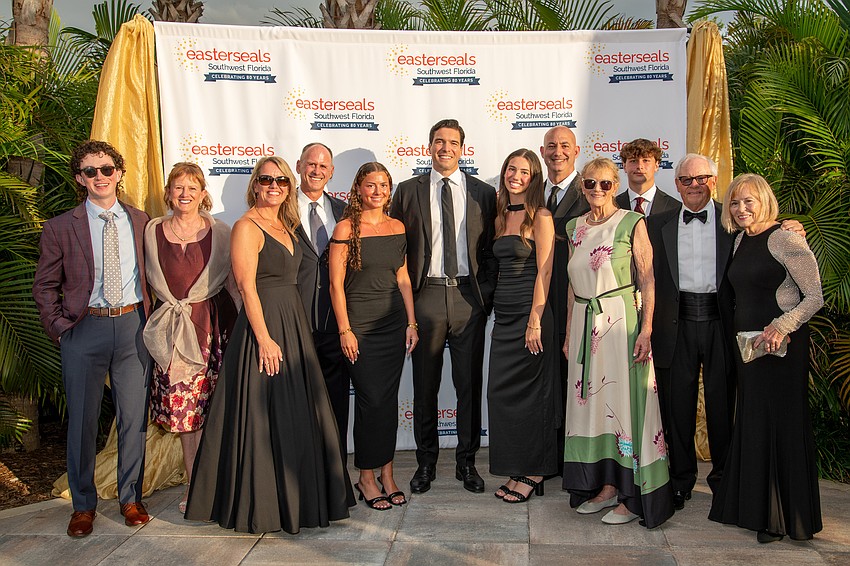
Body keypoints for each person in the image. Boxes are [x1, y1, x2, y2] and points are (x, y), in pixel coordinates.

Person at [184, 156, 352, 534]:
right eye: (266, 180)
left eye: (281, 181)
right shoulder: (247, 226)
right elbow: (246, 287)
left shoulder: (286, 225)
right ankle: (264, 506)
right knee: (263, 419)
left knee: (293, 415)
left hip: (293, 325)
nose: (274, 186)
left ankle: (298, 501)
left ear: (289, 187)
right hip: (266, 329)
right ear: (255, 185)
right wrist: (264, 339)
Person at [33, 140, 152, 537]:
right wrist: (61, 330)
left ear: (119, 173)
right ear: (79, 179)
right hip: (84, 330)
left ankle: (131, 498)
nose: (99, 176)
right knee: (82, 422)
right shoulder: (60, 227)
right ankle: (83, 505)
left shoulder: (141, 221)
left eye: (106, 169)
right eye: (90, 171)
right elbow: (44, 286)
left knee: (134, 420)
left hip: (133, 327)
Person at [710, 173, 823, 543]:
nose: (741, 208)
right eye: (734, 202)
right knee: (755, 423)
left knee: (781, 425)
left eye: (749, 201)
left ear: (764, 202)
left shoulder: (785, 238)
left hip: (781, 349)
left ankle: (781, 518)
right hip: (750, 349)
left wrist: (781, 326)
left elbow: (814, 296)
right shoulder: (741, 239)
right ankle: (756, 510)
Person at [562, 157, 673, 527]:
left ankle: (631, 496)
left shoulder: (631, 221)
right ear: (582, 187)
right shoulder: (574, 227)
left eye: (605, 183)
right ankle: (607, 487)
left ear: (616, 185)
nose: (597, 190)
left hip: (620, 324)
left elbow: (648, 279)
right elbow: (571, 286)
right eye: (590, 183)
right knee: (594, 408)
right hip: (584, 325)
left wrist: (646, 330)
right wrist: (569, 333)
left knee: (625, 407)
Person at [390, 118, 498, 494]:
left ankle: (467, 463)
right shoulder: (407, 191)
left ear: (462, 149)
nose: (445, 148)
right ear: (429, 146)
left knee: (468, 385)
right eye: (439, 141)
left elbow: (492, 248)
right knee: (425, 386)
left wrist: (485, 296)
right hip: (428, 297)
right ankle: (426, 464)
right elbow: (396, 249)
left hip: (469, 299)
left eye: (453, 142)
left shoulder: (484, 193)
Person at [143, 162, 239, 514]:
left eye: (192, 188)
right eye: (178, 187)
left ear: (202, 194)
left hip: (213, 332)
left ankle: (219, 484)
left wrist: (246, 330)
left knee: (213, 411)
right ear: (169, 193)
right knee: (185, 417)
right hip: (171, 336)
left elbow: (233, 285)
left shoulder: (222, 232)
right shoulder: (151, 231)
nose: (185, 194)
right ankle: (193, 484)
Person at [645, 153, 736, 510]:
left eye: (701, 179)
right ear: (677, 184)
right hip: (675, 325)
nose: (694, 185)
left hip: (720, 324)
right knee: (677, 407)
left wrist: (790, 226)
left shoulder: (733, 220)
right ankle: (681, 480)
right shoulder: (657, 224)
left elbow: (766, 231)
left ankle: (724, 481)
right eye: (686, 180)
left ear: (713, 181)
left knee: (722, 405)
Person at [328, 162, 418, 510]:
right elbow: (336, 286)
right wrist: (345, 330)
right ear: (358, 189)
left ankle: (387, 474)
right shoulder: (345, 228)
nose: (377, 191)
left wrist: (411, 323)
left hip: (393, 325)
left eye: (383, 185)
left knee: (388, 401)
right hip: (360, 328)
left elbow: (403, 278)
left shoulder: (397, 226)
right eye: (370, 185)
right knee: (371, 401)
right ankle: (366, 477)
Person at [487, 149, 556, 503]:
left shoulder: (540, 216)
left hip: (532, 318)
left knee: (533, 398)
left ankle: (535, 471)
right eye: (511, 169)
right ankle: (516, 467)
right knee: (502, 396)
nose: (516, 176)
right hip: (504, 319)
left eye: (524, 171)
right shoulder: (501, 216)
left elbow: (545, 270)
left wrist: (535, 320)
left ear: (534, 178)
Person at [294, 142, 351, 457]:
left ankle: (335, 469)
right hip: (294, 323)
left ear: (331, 172)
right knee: (296, 405)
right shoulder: (280, 210)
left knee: (335, 403)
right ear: (299, 166)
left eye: (323, 166)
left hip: (335, 324)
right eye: (311, 164)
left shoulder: (345, 212)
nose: (316, 170)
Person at [539, 125, 589, 475]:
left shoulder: (591, 190)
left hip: (578, 302)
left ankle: (576, 462)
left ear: (576, 151)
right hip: (538, 304)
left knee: (576, 383)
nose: (558, 151)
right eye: (551, 146)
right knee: (545, 384)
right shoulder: (530, 191)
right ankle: (548, 457)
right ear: (542, 152)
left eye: (565, 146)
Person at [615, 138, 680, 216]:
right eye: (633, 161)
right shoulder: (612, 206)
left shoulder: (675, 207)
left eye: (645, 160)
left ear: (656, 165)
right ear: (624, 166)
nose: (640, 166)